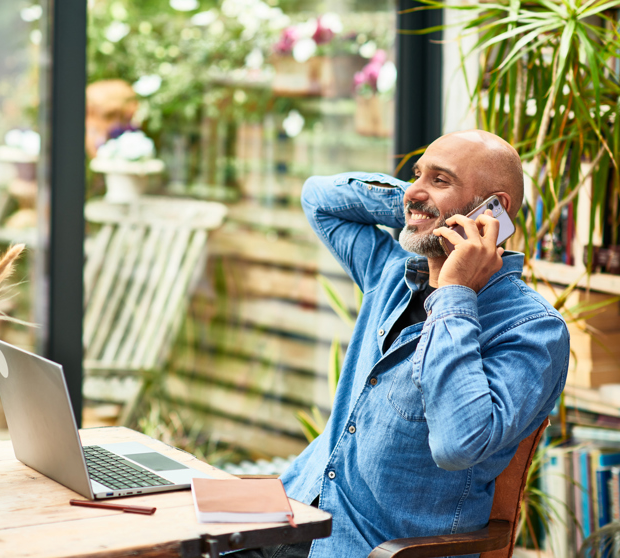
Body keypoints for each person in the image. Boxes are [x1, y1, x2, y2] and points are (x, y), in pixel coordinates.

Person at [232, 130, 570, 558]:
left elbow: (457, 445)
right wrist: (419, 207)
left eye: (440, 179)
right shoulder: (390, 275)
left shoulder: (533, 330)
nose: (415, 188)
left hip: (366, 549)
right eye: (416, 174)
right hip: (286, 517)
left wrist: (454, 294)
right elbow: (318, 198)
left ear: (494, 210)